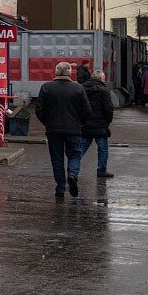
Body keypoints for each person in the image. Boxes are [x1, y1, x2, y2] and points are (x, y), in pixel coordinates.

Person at [36, 62, 92, 198]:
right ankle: (72, 175)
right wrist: (80, 123)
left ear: (55, 73)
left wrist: (47, 123)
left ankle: (60, 188)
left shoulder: (46, 88)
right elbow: (87, 111)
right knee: (74, 155)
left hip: (53, 130)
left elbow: (39, 110)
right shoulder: (78, 88)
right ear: (70, 73)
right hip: (74, 129)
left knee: (57, 159)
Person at [80, 69, 114, 179]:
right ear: (100, 79)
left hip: (86, 124)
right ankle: (101, 170)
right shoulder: (104, 90)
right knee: (103, 148)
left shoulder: (82, 88)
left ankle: (72, 167)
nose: (104, 80)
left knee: (82, 147)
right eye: (104, 78)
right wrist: (107, 122)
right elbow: (108, 109)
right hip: (100, 124)